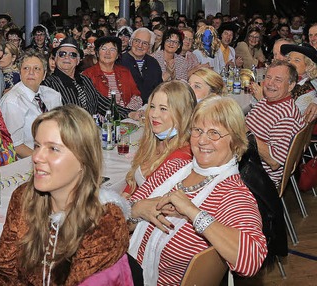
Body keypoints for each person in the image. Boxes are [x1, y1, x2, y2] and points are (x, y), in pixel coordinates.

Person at [0, 105, 131, 285]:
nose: (36, 157)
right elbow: (2, 270)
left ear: (84, 159)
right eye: (37, 145)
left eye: (53, 149)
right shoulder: (24, 198)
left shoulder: (104, 220)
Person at [127, 96, 267, 284]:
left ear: (235, 140)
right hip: (129, 268)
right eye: (198, 130)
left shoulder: (233, 194)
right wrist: (138, 209)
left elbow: (252, 260)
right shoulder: (174, 167)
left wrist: (193, 212)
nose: (202, 140)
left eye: (214, 133)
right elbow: (120, 220)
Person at [124, 81, 197, 196]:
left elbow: (147, 200)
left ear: (183, 114)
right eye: (152, 107)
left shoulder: (182, 157)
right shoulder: (154, 142)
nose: (154, 114)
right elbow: (133, 184)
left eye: (163, 109)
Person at [245, 60, 305, 185]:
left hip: (257, 176)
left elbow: (274, 162)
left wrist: (246, 134)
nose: (270, 83)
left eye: (278, 80)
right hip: (249, 162)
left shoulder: (287, 116)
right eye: (268, 77)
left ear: (291, 85)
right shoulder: (266, 101)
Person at [0, 50, 62, 158]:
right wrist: (44, 160)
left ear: (44, 74)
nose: (31, 72)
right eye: (26, 68)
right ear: (20, 73)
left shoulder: (53, 95)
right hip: (25, 162)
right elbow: (16, 145)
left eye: (36, 68)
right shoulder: (12, 101)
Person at [82, 36, 142, 110]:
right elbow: (87, 103)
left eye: (112, 49)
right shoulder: (88, 74)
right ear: (97, 53)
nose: (108, 53)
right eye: (103, 49)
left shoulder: (125, 72)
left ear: (117, 55)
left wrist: (126, 113)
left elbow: (136, 97)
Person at [120, 27, 163, 104]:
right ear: (131, 42)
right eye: (137, 41)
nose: (140, 45)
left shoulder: (153, 63)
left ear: (150, 47)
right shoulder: (120, 61)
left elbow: (159, 88)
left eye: (145, 43)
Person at [280, 44, 317, 122]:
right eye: (289, 60)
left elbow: (288, 116)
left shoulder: (307, 89)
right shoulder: (289, 80)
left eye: (297, 60)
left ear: (308, 66)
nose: (290, 63)